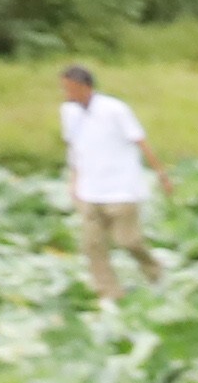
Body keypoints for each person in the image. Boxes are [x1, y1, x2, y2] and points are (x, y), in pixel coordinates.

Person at [51, 61, 159, 302]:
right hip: (90, 188)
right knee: (92, 245)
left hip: (122, 187)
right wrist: (73, 180)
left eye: (70, 88)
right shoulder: (69, 112)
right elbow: (73, 146)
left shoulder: (115, 109)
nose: (66, 94)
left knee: (128, 241)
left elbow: (140, 140)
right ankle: (109, 293)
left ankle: (154, 270)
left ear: (85, 87)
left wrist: (160, 173)